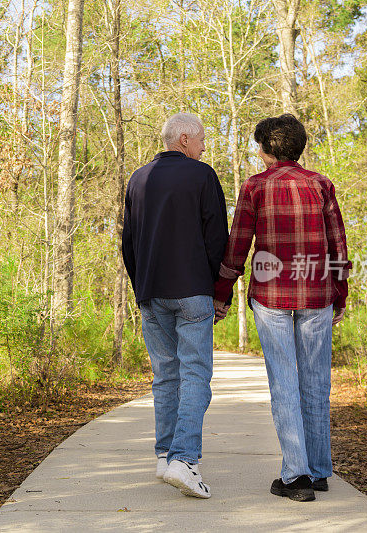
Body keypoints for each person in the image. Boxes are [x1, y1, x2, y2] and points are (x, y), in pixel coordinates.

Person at [213, 113, 351, 502]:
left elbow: (238, 244)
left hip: (271, 298)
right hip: (317, 295)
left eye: (258, 144)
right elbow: (338, 244)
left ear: (267, 149)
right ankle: (319, 470)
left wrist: (221, 293)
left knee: (285, 382)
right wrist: (340, 292)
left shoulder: (256, 186)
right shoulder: (321, 185)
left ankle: (296, 476)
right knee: (316, 382)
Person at [122, 112, 229, 499]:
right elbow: (218, 238)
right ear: (183, 138)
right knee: (195, 375)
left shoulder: (138, 178)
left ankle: (165, 456)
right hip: (192, 292)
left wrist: (141, 289)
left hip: (151, 292)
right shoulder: (203, 176)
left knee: (165, 376)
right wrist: (221, 292)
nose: (205, 145)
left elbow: (128, 243)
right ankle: (184, 460)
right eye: (201, 138)